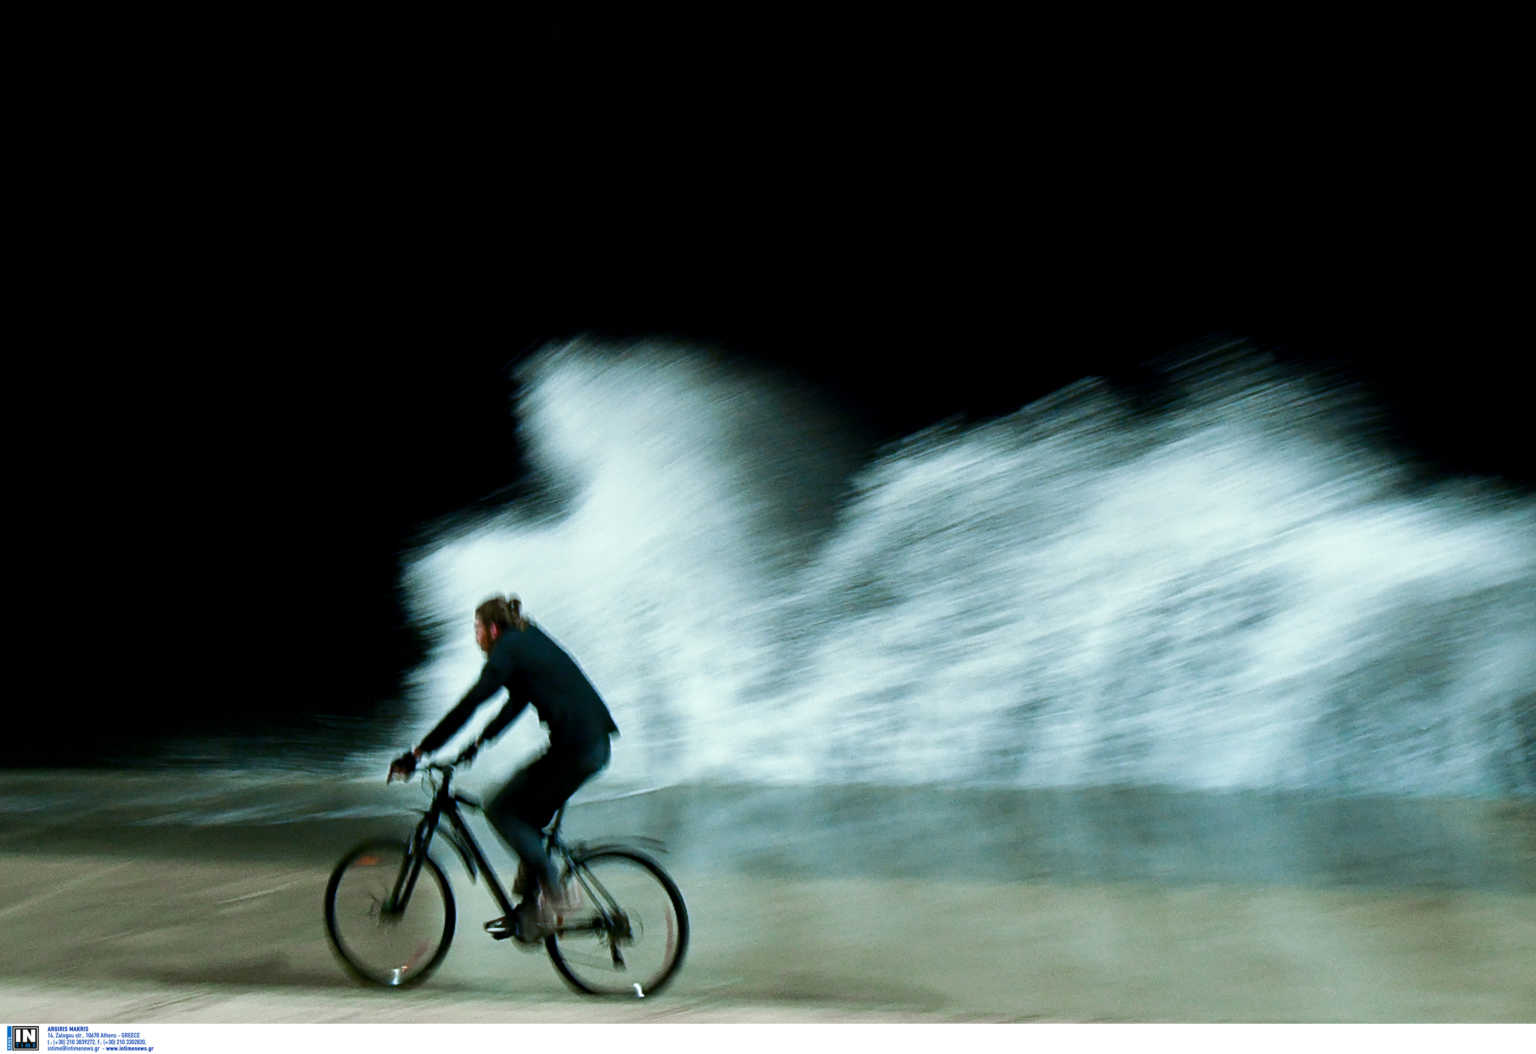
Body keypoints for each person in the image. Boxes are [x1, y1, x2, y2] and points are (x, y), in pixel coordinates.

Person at [388, 594, 618, 941]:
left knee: (500, 808)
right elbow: (517, 702)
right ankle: (531, 911)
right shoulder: (525, 640)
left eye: (477, 629)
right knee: (524, 819)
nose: (476, 637)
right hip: (587, 745)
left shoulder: (508, 650)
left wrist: (418, 753)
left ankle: (557, 894)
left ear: (493, 629)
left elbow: (470, 704)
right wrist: (477, 745)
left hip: (578, 749)